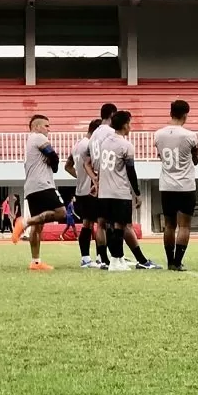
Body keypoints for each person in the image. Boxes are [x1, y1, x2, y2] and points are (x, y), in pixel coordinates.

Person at [97, 111, 159, 271]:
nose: (130, 126)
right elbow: (131, 171)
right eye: (130, 123)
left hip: (104, 192)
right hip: (119, 191)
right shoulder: (125, 145)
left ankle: (115, 260)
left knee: (110, 226)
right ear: (125, 124)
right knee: (120, 226)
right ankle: (117, 261)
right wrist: (137, 193)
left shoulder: (104, 143)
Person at [11, 115, 67, 270]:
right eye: (46, 126)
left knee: (39, 225)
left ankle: (35, 262)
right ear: (36, 127)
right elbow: (53, 156)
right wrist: (54, 164)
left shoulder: (30, 142)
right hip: (44, 184)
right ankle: (24, 222)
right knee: (62, 213)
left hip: (31, 186)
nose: (49, 129)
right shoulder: (38, 137)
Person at [155, 100, 198, 271]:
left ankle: (169, 261)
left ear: (170, 113)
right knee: (184, 226)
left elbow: (161, 156)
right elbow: (195, 160)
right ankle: (177, 261)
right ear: (185, 115)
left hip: (166, 185)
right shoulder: (189, 135)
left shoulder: (158, 134)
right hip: (185, 185)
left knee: (169, 225)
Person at [81, 103, 118, 267]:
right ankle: (115, 257)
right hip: (109, 179)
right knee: (111, 222)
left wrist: (95, 179)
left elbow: (86, 162)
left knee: (100, 223)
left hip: (99, 179)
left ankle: (103, 258)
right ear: (112, 114)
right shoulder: (111, 133)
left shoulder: (94, 134)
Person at [65, 119, 104, 268]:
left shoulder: (77, 145)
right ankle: (101, 257)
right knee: (101, 224)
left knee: (87, 223)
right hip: (91, 190)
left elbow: (67, 166)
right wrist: (93, 179)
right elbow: (92, 165)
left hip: (81, 189)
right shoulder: (90, 145)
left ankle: (86, 258)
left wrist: (79, 176)